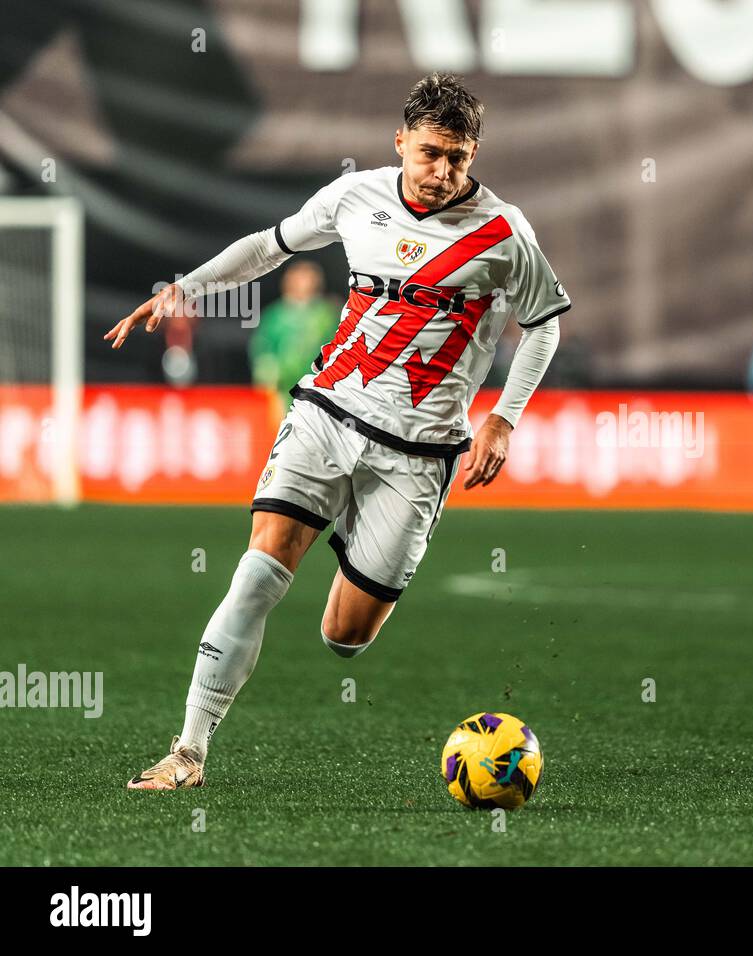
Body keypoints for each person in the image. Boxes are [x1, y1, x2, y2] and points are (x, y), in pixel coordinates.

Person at [104, 73, 570, 789]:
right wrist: (184, 288)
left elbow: (542, 324)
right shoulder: (357, 196)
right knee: (259, 572)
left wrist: (504, 417)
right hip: (328, 413)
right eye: (431, 153)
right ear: (400, 142)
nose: (443, 170)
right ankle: (188, 753)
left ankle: (354, 533)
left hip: (418, 454)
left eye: (460, 157)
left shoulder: (505, 233)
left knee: (345, 638)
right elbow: (270, 246)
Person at [249, 259, 339, 404]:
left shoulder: (326, 315)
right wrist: (267, 372)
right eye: (298, 277)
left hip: (318, 387)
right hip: (283, 389)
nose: (302, 282)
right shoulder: (275, 315)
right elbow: (262, 348)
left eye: (307, 277)